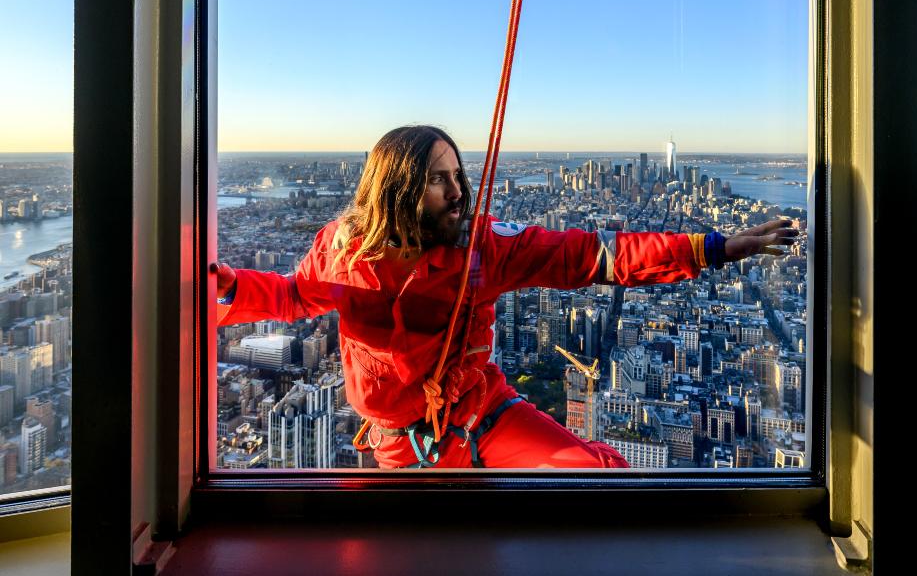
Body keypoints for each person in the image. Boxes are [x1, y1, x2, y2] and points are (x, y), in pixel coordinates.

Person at [212, 125, 798, 469]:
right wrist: (220, 289)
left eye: (457, 175)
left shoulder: (481, 248)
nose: (459, 191)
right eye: (438, 179)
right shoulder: (345, 249)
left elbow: (593, 256)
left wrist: (713, 247)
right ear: (397, 189)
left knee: (599, 478)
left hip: (480, 417)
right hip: (397, 449)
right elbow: (293, 296)